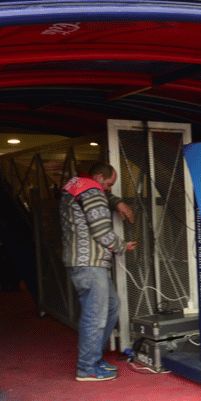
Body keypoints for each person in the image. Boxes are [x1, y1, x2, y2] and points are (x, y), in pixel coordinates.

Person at [60, 162, 137, 381]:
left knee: (111, 306)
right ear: (100, 177)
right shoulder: (92, 190)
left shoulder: (78, 185)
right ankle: (87, 367)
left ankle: (93, 358)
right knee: (95, 315)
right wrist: (122, 246)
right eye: (110, 184)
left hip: (82, 262)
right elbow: (102, 230)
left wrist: (115, 201)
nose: (111, 189)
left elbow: (96, 199)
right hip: (90, 263)